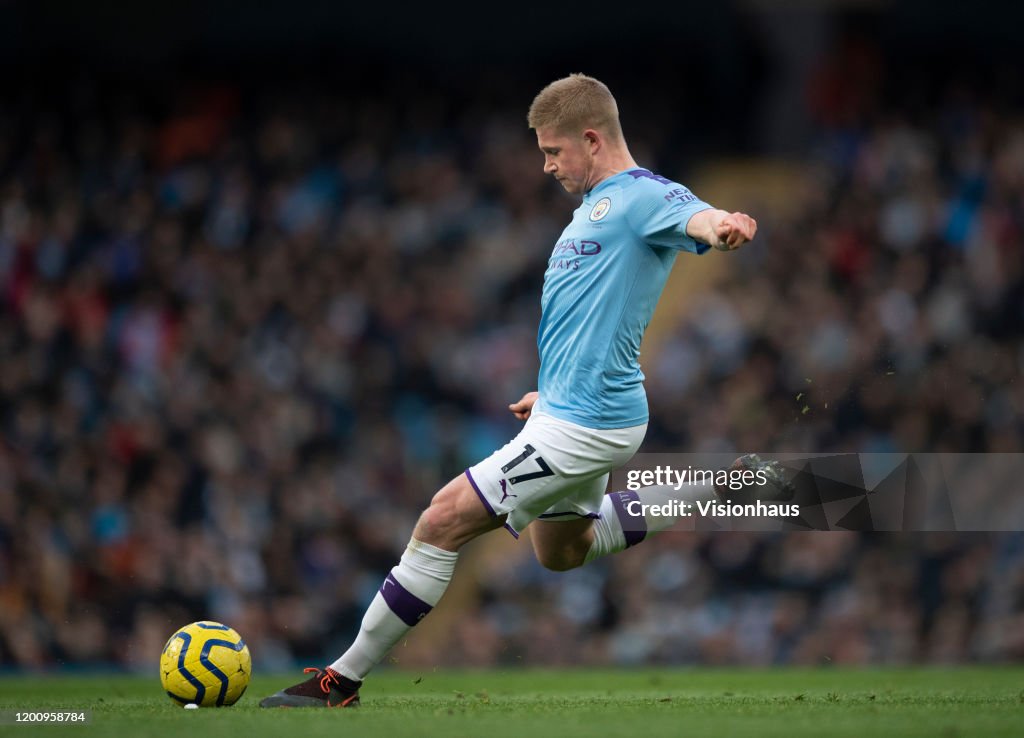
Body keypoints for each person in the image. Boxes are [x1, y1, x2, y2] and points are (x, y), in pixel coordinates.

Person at [260, 73, 786, 708]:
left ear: (591, 140)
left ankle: (339, 680)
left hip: (589, 423)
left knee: (441, 519)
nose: (546, 166)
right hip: (569, 410)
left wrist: (724, 224)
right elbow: (592, 319)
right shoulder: (594, 212)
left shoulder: (647, 196)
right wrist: (551, 392)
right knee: (563, 552)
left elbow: (698, 217)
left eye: (552, 151)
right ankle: (713, 489)